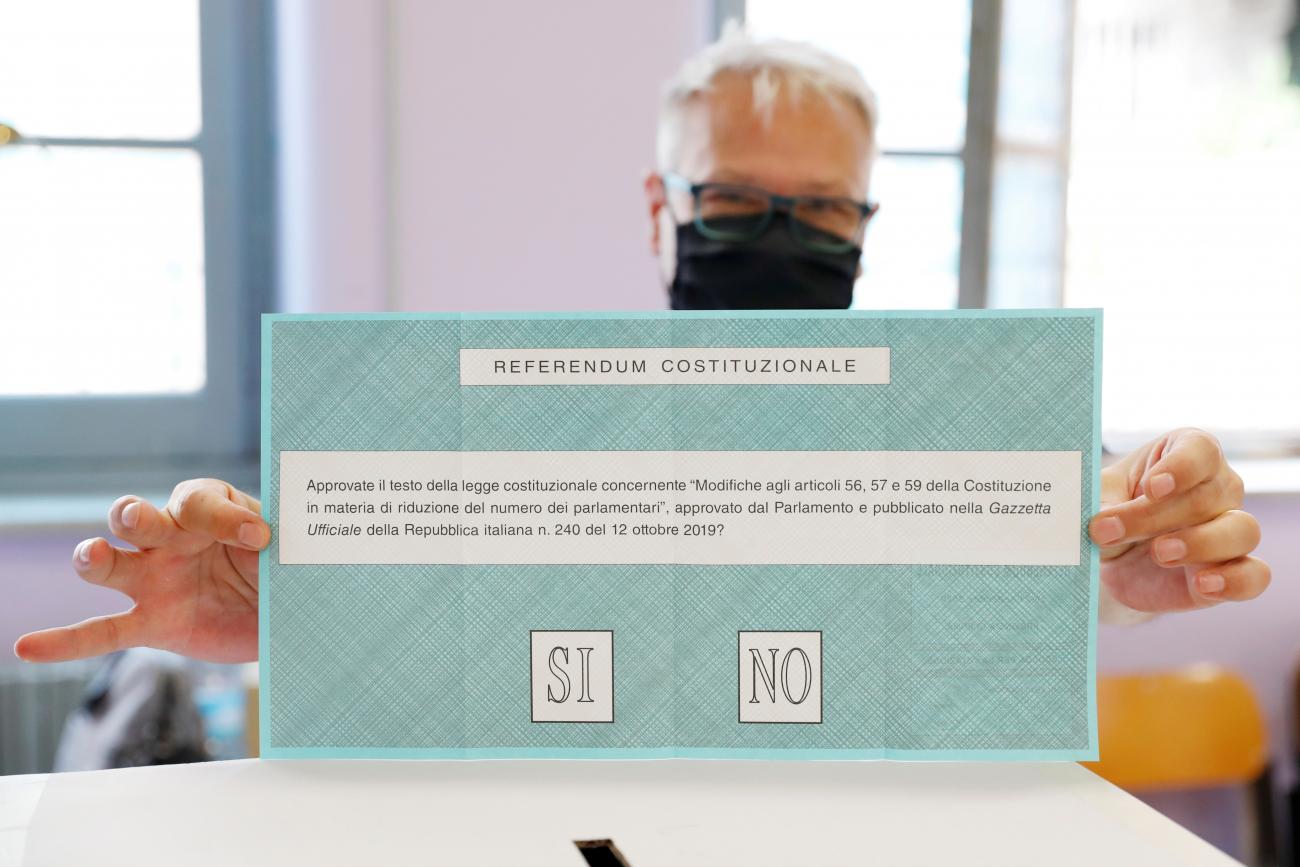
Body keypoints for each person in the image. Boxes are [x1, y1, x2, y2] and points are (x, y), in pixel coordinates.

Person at [13, 28, 1269, 665]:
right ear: (661, 208)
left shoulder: (970, 425)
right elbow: (421, 629)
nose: (783, 236)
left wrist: (1138, 560)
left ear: (870, 219)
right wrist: (278, 608)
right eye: (733, 201)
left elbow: (1092, 538)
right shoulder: (510, 420)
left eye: (825, 208)